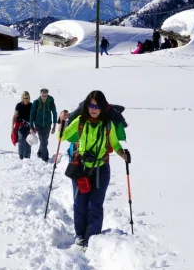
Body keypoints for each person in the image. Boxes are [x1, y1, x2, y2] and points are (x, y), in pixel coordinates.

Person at [60, 90, 129, 248]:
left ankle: (92, 239)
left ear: (103, 108)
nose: (94, 109)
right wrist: (62, 122)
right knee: (80, 204)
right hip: (81, 169)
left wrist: (122, 154)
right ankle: (80, 236)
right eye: (91, 105)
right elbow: (62, 137)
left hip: (101, 169)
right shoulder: (80, 121)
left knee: (95, 205)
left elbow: (115, 144)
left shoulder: (107, 124)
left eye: (97, 106)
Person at [31, 88, 58, 162]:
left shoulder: (51, 102)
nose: (44, 98)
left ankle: (39, 153)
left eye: (45, 96)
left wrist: (54, 126)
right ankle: (45, 158)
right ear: (40, 95)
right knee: (43, 141)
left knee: (45, 141)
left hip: (47, 125)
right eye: (43, 96)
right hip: (38, 124)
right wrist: (31, 126)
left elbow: (54, 113)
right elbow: (32, 114)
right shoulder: (36, 102)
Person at [12, 91, 33, 159]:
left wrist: (33, 126)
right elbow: (14, 116)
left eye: (27, 98)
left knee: (28, 141)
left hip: (29, 125)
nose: (26, 99)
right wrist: (12, 127)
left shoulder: (31, 105)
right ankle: (21, 155)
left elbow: (34, 116)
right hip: (20, 125)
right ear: (22, 98)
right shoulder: (19, 105)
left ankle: (27, 156)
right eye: (24, 98)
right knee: (21, 139)